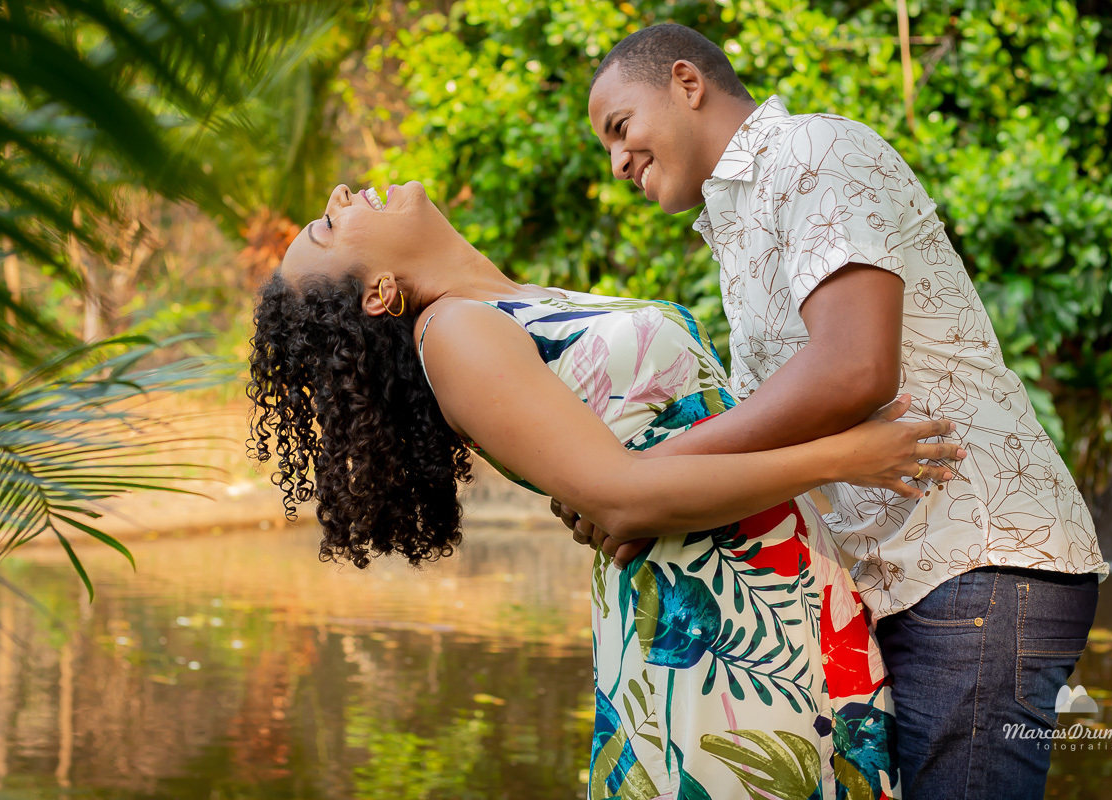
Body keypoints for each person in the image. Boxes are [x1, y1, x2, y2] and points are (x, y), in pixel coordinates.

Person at [246, 181, 966, 799]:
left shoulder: (506, 306)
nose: (341, 195)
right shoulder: (454, 331)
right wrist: (843, 456)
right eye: (331, 224)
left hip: (773, 585)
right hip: (713, 624)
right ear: (379, 293)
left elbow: (638, 457)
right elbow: (621, 497)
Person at [568, 22, 1109, 799]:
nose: (617, 162)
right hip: (902, 579)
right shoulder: (740, 220)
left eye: (620, 129)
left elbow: (853, 368)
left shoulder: (813, 152)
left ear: (687, 83)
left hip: (973, 559)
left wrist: (645, 477)